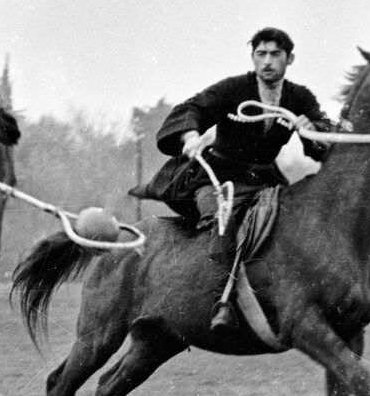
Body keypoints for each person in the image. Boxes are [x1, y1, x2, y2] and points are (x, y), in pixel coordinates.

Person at [132, 27, 332, 330]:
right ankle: (221, 302)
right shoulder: (232, 90)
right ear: (253, 58)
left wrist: (313, 130)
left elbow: (320, 142)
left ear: (289, 59)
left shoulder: (299, 98)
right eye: (261, 54)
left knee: (298, 221)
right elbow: (192, 108)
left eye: (275, 54)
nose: (267, 61)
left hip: (265, 180)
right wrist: (190, 135)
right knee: (222, 217)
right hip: (216, 177)